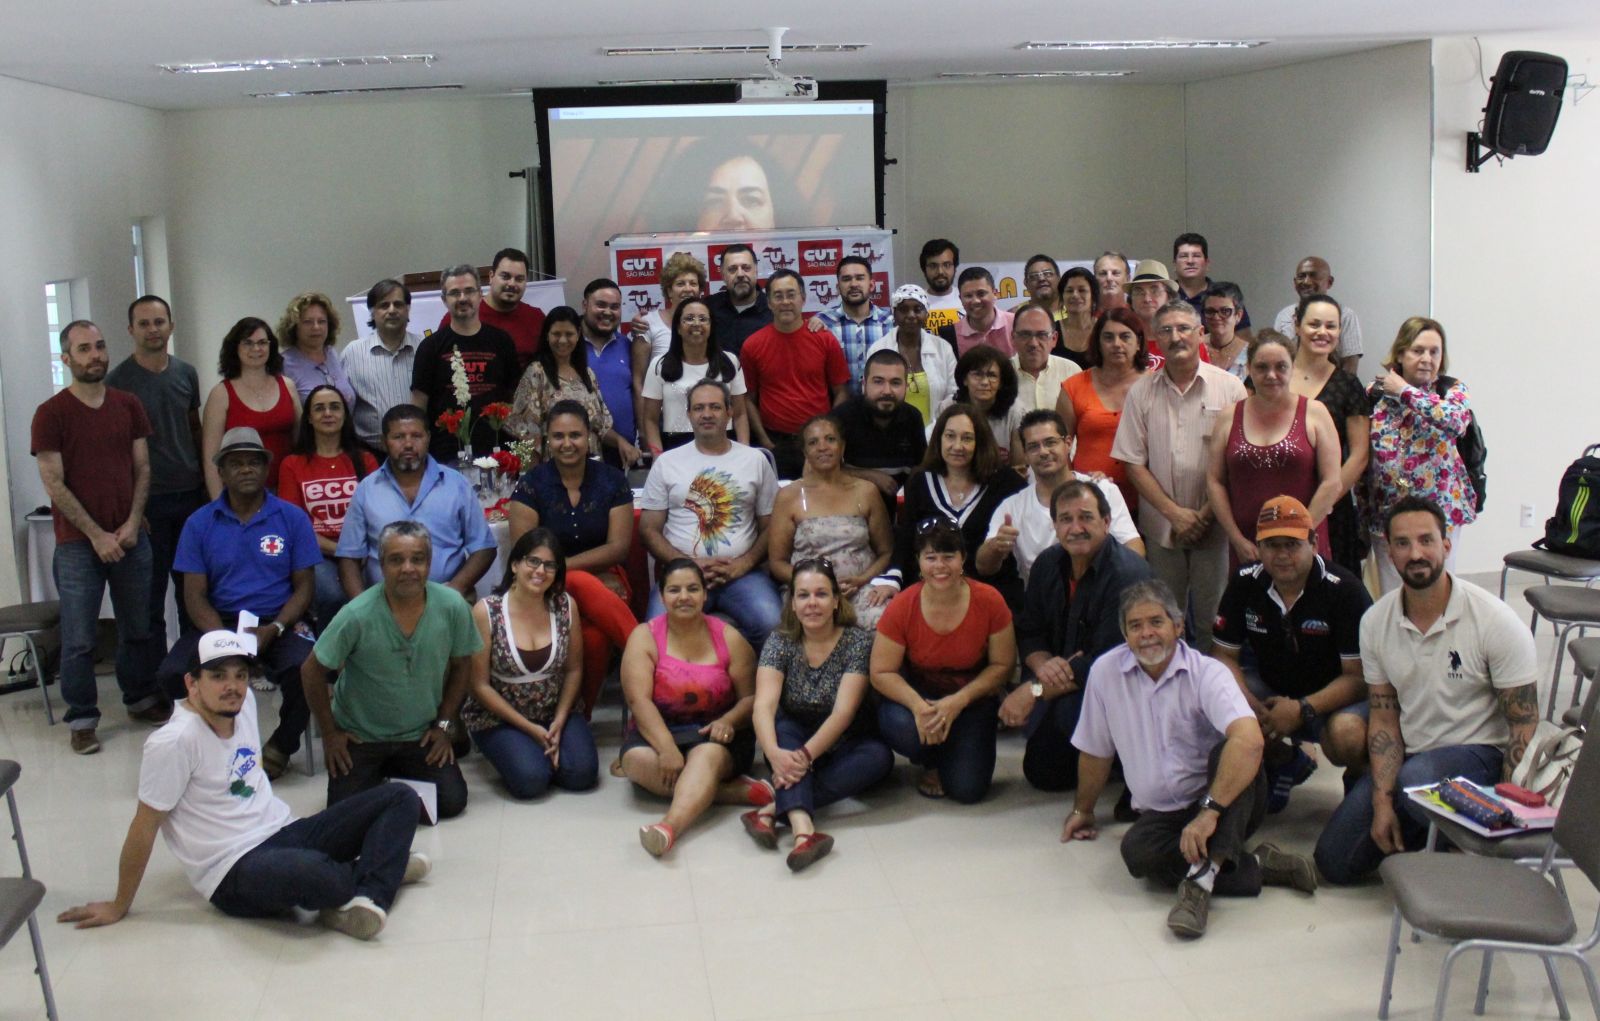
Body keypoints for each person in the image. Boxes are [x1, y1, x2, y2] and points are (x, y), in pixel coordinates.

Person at [57, 630, 428, 941]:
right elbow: (144, 825)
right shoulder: (173, 742)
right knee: (313, 872)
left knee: (400, 797)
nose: (232, 687)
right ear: (192, 683)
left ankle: (371, 882)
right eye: (217, 676)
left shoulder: (244, 701)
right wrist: (119, 903)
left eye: (239, 675)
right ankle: (380, 870)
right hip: (233, 868)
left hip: (283, 831)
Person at [1062, 579, 1314, 940]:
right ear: (1124, 633)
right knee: (1137, 854)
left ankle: (1199, 884)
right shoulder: (1105, 673)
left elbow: (1249, 739)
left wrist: (1209, 812)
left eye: (1156, 622)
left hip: (1227, 801)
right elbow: (1095, 749)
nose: (1147, 634)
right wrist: (1082, 810)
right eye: (1135, 626)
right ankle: (1259, 863)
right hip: (1164, 813)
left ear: (1178, 626)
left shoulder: (1208, 673)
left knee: (1234, 751)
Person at [1313, 497, 1539, 886]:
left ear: (1446, 546)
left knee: (1415, 779)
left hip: (1479, 754)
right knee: (1333, 862)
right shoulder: (1375, 622)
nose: (1415, 553)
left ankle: (1446, 837)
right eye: (1402, 543)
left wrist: (1504, 811)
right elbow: (1383, 715)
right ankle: (1422, 826)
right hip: (1414, 754)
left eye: (1426, 541)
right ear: (1389, 550)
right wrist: (1380, 801)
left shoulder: (1495, 621)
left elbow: (1523, 724)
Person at [33, 319, 167, 754]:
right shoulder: (51, 414)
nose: (95, 356)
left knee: (138, 627)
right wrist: (95, 535)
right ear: (66, 359)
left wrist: (131, 523)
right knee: (79, 638)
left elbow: (143, 469)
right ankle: (83, 717)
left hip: (131, 537)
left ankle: (139, 695)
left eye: (100, 346)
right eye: (84, 349)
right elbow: (54, 484)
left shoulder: (128, 405)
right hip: (78, 545)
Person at [161, 427, 319, 778]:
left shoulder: (292, 518)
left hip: (280, 619)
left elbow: (304, 588)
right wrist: (224, 641)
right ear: (221, 472)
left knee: (308, 668)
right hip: (218, 621)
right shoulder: (199, 523)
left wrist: (275, 627)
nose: (246, 470)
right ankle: (211, 748)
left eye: (253, 463)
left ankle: (282, 744)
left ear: (266, 470)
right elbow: (193, 595)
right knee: (173, 673)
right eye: (236, 463)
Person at [305, 521, 483, 822]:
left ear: (430, 562)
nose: (408, 568)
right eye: (396, 560)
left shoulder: (452, 606)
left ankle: (384, 789)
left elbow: (462, 665)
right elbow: (311, 671)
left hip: (419, 735)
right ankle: (389, 789)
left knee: (452, 802)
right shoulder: (356, 614)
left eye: (418, 559)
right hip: (361, 737)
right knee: (342, 814)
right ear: (381, 563)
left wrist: (443, 726)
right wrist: (331, 734)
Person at [1212, 496, 1372, 812]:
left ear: (1313, 543)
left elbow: (1360, 678)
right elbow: (1222, 656)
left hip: (1334, 699)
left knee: (1347, 735)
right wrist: (1250, 705)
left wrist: (1303, 709)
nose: (1282, 555)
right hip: (1271, 690)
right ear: (1258, 547)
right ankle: (1285, 761)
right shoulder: (1245, 582)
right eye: (1272, 545)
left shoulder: (1345, 590)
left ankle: (1360, 784)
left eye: (1292, 544)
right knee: (1223, 706)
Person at [1113, 301, 1247, 651]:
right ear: (1155, 338)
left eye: (1184, 328)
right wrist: (1175, 514)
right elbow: (1132, 463)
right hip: (1161, 529)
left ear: (1200, 333)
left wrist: (1203, 515)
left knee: (1213, 619)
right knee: (1163, 618)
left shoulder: (1230, 388)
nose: (1176, 337)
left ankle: (1211, 695)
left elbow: (1239, 461)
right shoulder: (1141, 392)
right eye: (1167, 330)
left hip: (1214, 527)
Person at [1005, 480, 1153, 792]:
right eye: (1066, 519)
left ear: (1107, 522)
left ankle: (1131, 764)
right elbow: (1030, 630)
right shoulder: (1048, 563)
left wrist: (1033, 690)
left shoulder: (1128, 575)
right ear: (1055, 525)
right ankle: (1103, 757)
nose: (1076, 528)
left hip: (1123, 690)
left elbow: (1104, 664)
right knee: (1042, 772)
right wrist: (1043, 666)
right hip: (1064, 680)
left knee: (1065, 713)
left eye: (1086, 517)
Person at [745, 559, 892, 871]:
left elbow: (843, 713)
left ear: (836, 601)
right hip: (794, 732)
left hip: (842, 738)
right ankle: (804, 835)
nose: (812, 603)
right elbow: (764, 706)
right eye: (803, 595)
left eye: (821, 594)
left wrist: (802, 758)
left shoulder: (857, 642)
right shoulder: (780, 640)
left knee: (879, 757)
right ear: (793, 604)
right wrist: (773, 753)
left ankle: (771, 809)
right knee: (783, 733)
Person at [619, 559, 767, 857]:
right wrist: (665, 748)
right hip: (661, 730)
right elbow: (639, 701)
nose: (683, 597)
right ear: (661, 597)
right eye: (674, 590)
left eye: (692, 589)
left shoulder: (729, 638)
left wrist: (729, 720)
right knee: (634, 761)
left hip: (717, 735)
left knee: (705, 755)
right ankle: (729, 791)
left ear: (704, 595)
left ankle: (669, 827)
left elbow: (752, 698)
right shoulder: (644, 636)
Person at [505, 401, 639, 715]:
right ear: (547, 440)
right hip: (543, 586)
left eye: (575, 435)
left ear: (590, 437)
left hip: (608, 581)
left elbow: (619, 548)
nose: (567, 444)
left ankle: (581, 715)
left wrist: (573, 574)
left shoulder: (612, 480)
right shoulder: (531, 485)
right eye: (558, 436)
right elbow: (525, 556)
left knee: (593, 640)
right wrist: (571, 574)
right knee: (579, 581)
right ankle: (649, 657)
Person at [871, 519, 1017, 803]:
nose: (940, 566)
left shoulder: (990, 600)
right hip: (922, 696)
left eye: (948, 556)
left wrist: (957, 702)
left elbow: (1003, 666)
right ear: (918, 562)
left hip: (972, 700)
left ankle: (955, 752)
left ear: (963, 558)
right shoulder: (903, 605)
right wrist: (919, 707)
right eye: (931, 557)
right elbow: (881, 671)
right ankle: (932, 760)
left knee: (968, 790)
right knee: (896, 722)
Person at [638, 378, 783, 649]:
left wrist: (745, 562)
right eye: (699, 408)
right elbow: (648, 530)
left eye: (715, 407)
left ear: (730, 412)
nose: (707, 414)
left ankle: (753, 688)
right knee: (655, 635)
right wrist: (685, 563)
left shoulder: (755, 461)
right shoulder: (666, 463)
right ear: (688, 414)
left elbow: (772, 526)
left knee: (773, 624)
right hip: (681, 574)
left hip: (742, 574)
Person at [462, 528, 599, 799]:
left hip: (555, 709)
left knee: (582, 775)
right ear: (514, 564)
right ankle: (524, 751)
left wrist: (559, 721)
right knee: (531, 782)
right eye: (532, 561)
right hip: (500, 717)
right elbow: (478, 686)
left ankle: (546, 748)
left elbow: (574, 670)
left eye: (550, 565)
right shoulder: (487, 611)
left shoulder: (565, 605)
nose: (540, 571)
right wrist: (530, 730)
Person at [109, 294, 205, 646]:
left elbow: (194, 429)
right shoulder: (117, 382)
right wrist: (132, 509)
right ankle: (152, 685)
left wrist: (206, 489)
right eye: (145, 323)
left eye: (159, 322)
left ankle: (191, 674)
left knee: (193, 594)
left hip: (190, 499)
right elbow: (114, 452)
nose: (153, 329)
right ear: (131, 329)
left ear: (171, 326)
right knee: (148, 599)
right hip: (148, 506)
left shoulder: (186, 373)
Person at [1206, 330, 1342, 569]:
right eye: (1261, 367)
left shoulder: (1315, 412)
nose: (1271, 375)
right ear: (1248, 368)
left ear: (1293, 368)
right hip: (1247, 545)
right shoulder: (1229, 416)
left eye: (1281, 367)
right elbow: (1215, 481)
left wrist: (1301, 534)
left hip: (1304, 543)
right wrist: (1235, 538)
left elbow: (1332, 481)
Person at [336, 404, 496, 599]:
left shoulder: (456, 485)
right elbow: (348, 558)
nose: (409, 444)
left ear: (428, 438)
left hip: (450, 599)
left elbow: (484, 548)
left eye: (416, 436)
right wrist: (362, 609)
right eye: (399, 437)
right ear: (384, 442)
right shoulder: (366, 490)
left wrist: (455, 589)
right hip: (384, 604)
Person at [1364, 316, 1475, 592]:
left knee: (1438, 591)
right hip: (1387, 512)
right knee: (1392, 594)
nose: (1426, 358)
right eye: (1418, 350)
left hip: (1441, 512)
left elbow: (1456, 422)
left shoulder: (1451, 390)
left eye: (1434, 351)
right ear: (1400, 353)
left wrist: (1404, 392)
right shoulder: (1374, 394)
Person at [876, 404, 1027, 605]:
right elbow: (907, 537)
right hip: (930, 583)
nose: (957, 446)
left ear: (980, 442)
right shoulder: (920, 481)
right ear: (938, 439)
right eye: (950, 436)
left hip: (989, 587)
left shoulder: (1006, 482)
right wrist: (894, 576)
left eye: (967, 438)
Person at [977, 410, 1143, 586]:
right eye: (1033, 446)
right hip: (1043, 602)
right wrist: (996, 547)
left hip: (1103, 591)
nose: (1043, 452)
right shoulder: (1012, 507)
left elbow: (1134, 546)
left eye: (1050, 442)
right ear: (1025, 454)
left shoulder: (1103, 490)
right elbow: (983, 567)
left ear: (1068, 444)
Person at [768, 414, 894, 627]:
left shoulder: (866, 491)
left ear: (842, 447)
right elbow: (777, 563)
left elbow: (885, 552)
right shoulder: (788, 496)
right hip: (810, 593)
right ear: (805, 452)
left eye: (830, 439)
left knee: (885, 620)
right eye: (813, 442)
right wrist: (818, 584)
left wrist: (862, 579)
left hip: (859, 589)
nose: (822, 447)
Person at [277, 385, 378, 628]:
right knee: (334, 596)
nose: (328, 413)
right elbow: (296, 526)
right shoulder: (292, 464)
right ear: (309, 418)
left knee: (377, 589)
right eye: (319, 409)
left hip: (362, 550)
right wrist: (341, 549)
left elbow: (377, 514)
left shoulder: (365, 459)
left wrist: (358, 549)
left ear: (345, 414)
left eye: (335, 407)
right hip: (317, 553)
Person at [1289, 293, 1373, 574]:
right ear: (1297, 325)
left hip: (1332, 510)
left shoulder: (1349, 385)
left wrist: (1321, 504)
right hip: (1277, 499)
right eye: (1314, 324)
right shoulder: (1272, 376)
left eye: (1331, 326)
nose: (1322, 332)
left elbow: (1359, 456)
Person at [740, 269, 850, 479]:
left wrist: (827, 431)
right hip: (776, 443)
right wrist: (765, 442)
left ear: (803, 299)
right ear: (769, 302)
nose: (785, 301)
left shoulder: (824, 339)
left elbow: (841, 391)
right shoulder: (752, 345)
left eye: (791, 294)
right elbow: (748, 400)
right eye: (778, 296)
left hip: (818, 443)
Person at [410, 263, 520, 463]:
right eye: (454, 293)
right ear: (444, 299)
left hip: (498, 452)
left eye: (469, 291)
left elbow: (515, 400)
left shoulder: (502, 341)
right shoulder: (430, 347)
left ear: (480, 294)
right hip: (446, 457)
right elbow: (418, 408)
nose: (462, 298)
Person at [1056, 307, 1150, 512]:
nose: (1117, 344)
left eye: (1125, 336)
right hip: (1089, 501)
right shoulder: (1074, 386)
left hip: (1149, 502)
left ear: (1139, 343)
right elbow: (1059, 449)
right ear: (1097, 342)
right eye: (1108, 337)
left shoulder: (1156, 385)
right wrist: (1075, 485)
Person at [201, 317, 301, 496]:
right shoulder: (221, 394)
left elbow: (301, 443)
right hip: (240, 496)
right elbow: (211, 459)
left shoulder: (288, 386)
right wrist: (218, 506)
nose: (256, 349)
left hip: (288, 490)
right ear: (235, 348)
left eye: (262, 342)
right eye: (248, 343)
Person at [640, 296, 751, 455]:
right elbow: (650, 419)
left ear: (711, 326)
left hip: (723, 446)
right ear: (678, 327)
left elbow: (740, 414)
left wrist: (744, 453)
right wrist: (657, 455)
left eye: (703, 319)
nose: (696, 323)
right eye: (689, 318)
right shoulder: (659, 365)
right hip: (675, 447)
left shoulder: (730, 362)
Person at [507, 305, 615, 460]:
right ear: (547, 335)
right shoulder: (537, 373)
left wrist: (622, 443)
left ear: (578, 335)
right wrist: (533, 478)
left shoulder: (587, 374)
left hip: (590, 466)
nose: (563, 340)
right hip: (553, 469)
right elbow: (527, 434)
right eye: (556, 334)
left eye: (569, 334)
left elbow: (601, 425)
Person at [834, 347, 929, 504]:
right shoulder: (842, 417)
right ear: (864, 383)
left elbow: (922, 468)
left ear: (906, 386)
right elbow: (820, 471)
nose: (887, 391)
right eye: (878, 382)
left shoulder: (913, 417)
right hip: (850, 505)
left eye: (895, 383)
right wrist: (870, 476)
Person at [631, 251, 707, 436]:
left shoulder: (707, 323)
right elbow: (639, 382)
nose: (688, 289)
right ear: (668, 291)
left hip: (703, 419)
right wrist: (644, 433)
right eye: (680, 284)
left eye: (693, 283)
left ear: (700, 290)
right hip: (663, 424)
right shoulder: (648, 324)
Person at [343, 279, 422, 453]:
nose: (392, 310)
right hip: (370, 454)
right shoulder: (352, 353)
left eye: (398, 304)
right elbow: (345, 407)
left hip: (418, 453)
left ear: (408, 310)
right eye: (384, 305)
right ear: (372, 313)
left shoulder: (424, 348)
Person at [865, 283, 958, 427]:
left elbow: (954, 393)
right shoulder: (878, 349)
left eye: (918, 309)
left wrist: (937, 427)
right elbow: (870, 393)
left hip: (936, 433)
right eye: (903, 310)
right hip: (891, 433)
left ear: (927, 314)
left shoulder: (943, 348)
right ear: (894, 314)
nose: (911, 315)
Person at [439, 248, 545, 371]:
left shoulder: (537, 318)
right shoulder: (459, 316)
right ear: (491, 276)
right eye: (505, 276)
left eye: (519, 279)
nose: (512, 283)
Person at [575, 278, 641, 469]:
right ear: (585, 305)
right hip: (581, 455)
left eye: (614, 307)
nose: (608, 312)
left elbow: (638, 391)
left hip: (624, 457)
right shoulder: (569, 346)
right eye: (601, 305)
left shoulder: (627, 346)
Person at [815, 255, 895, 392]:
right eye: (846, 279)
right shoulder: (822, 323)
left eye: (860, 278)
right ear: (838, 287)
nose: (853, 284)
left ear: (871, 285)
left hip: (882, 408)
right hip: (838, 410)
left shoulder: (891, 322)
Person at [1272, 256, 1363, 374]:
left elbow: (1350, 365)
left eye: (1314, 276)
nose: (1306, 281)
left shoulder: (1345, 316)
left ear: (1329, 282)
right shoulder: (1284, 315)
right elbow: (1275, 357)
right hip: (1289, 386)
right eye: (1302, 276)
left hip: (1332, 388)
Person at [277, 291, 355, 406]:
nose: (316, 327)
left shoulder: (332, 354)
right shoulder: (283, 364)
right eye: (307, 322)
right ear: (294, 327)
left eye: (322, 321)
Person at [952, 345, 1026, 466]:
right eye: (977, 374)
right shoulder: (949, 408)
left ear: (1001, 382)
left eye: (992, 375)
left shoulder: (1015, 411)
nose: (985, 382)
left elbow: (1019, 467)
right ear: (965, 379)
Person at [1011, 301, 1080, 412]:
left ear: (1054, 339)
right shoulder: (1001, 374)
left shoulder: (1071, 372)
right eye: (1025, 334)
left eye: (1041, 335)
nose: (1033, 343)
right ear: (1013, 338)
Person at [1172, 233, 1250, 331]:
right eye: (1184, 256)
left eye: (1196, 255)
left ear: (1207, 263)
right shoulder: (1164, 296)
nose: (1190, 261)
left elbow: (1244, 341)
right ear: (1174, 264)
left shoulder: (1227, 297)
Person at [705, 244, 772, 355]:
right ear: (723, 275)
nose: (740, 274)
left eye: (746, 268)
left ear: (756, 271)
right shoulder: (707, 308)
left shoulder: (774, 309)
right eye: (732, 269)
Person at [949, 267, 1014, 357]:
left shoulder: (1016, 323)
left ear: (995, 294)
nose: (975, 301)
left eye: (981, 294)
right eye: (968, 296)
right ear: (960, 299)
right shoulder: (950, 335)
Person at [1200, 282, 1249, 381]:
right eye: (1210, 311)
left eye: (1225, 311)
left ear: (1238, 315)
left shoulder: (1251, 354)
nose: (1216, 317)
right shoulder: (1194, 348)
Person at [1053, 267, 1100, 368]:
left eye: (1082, 290)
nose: (1075, 295)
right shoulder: (1051, 330)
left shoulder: (1104, 329)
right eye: (1069, 291)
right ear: (1062, 296)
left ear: (1093, 295)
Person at [918, 238, 964, 332]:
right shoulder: (915, 302)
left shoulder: (967, 299)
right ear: (924, 270)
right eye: (933, 266)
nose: (940, 272)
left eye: (946, 265)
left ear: (955, 268)